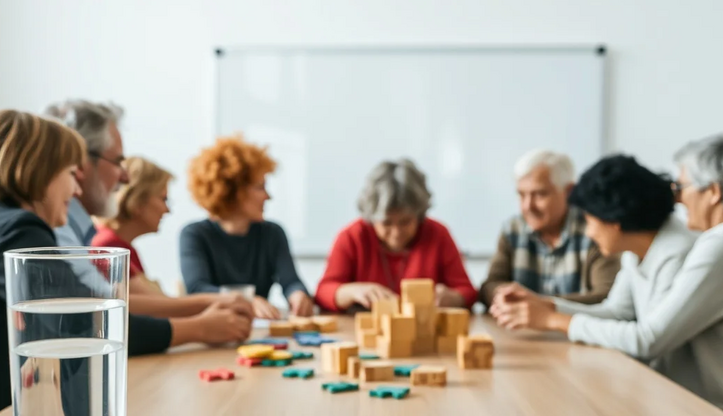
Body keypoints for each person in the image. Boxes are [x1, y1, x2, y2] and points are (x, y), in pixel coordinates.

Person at [0, 111, 220, 416]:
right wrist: (199, 329)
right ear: (39, 171)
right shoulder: (16, 228)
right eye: (70, 174)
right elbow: (88, 325)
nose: (76, 191)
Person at [491, 154, 707, 395]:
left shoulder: (678, 252)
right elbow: (616, 313)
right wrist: (547, 305)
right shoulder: (635, 249)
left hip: (696, 403)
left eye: (589, 221)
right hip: (660, 391)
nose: (589, 232)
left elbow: (647, 341)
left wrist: (554, 320)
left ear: (614, 221)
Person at [44, 99, 253, 337]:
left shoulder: (81, 234)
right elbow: (100, 318)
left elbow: (111, 305)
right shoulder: (93, 242)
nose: (124, 177)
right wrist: (202, 324)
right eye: (117, 161)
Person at [315, 159, 477, 312]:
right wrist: (350, 292)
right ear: (371, 217)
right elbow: (323, 292)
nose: (396, 232)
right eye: (386, 223)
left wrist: (453, 298)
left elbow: (467, 291)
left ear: (419, 214)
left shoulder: (438, 234)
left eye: (405, 222)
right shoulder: (352, 237)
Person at [180, 135, 314, 319]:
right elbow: (197, 288)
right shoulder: (195, 234)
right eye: (260, 187)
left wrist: (298, 294)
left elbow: (291, 281)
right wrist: (245, 299)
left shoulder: (273, 233)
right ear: (233, 192)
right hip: (214, 333)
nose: (268, 196)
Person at [478, 149, 620, 307]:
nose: (527, 206)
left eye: (539, 194)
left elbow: (605, 297)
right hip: (520, 332)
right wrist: (505, 294)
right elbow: (489, 287)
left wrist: (538, 305)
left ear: (569, 191)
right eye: (521, 195)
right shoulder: (512, 229)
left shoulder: (595, 231)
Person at [91, 156, 172, 295]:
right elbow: (150, 308)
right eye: (163, 199)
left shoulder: (121, 246)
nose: (167, 209)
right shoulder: (108, 247)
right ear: (138, 200)